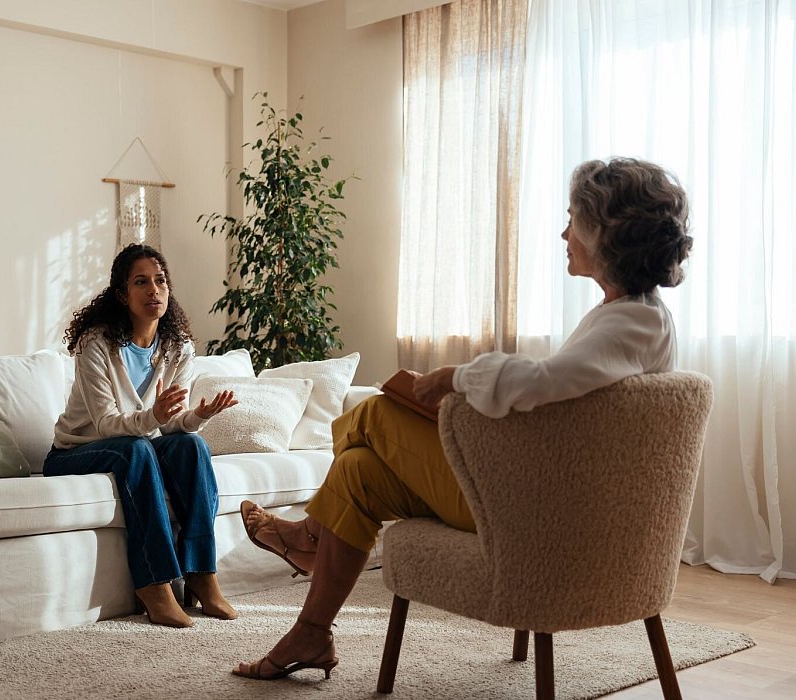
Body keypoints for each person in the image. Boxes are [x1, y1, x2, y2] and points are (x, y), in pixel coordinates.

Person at [233, 157, 693, 679]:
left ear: (604, 234)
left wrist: (454, 377)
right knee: (358, 471)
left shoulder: (629, 325)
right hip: (542, 497)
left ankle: (308, 537)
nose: (564, 232)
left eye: (572, 220)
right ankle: (311, 633)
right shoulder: (635, 317)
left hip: (536, 513)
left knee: (375, 413)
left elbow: (541, 383)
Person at [45, 243, 239, 628]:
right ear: (122, 294)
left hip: (136, 444)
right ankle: (154, 584)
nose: (154, 290)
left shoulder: (178, 347)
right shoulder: (95, 344)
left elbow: (168, 426)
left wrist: (195, 416)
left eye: (160, 281)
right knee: (136, 450)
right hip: (74, 452)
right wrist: (153, 415)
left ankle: (201, 574)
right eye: (141, 282)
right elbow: (105, 424)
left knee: (191, 446)